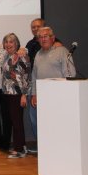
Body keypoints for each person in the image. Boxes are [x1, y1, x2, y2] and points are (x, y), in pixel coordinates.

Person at [26, 19, 62, 150]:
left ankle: (54, 146)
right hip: (36, 89)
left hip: (55, 92)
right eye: (33, 27)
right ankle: (41, 146)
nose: (35, 30)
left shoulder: (58, 46)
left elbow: (69, 71)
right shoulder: (30, 44)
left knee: (53, 120)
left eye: (38, 27)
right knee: (34, 119)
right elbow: (33, 71)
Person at [31, 26, 76, 110]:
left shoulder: (62, 51)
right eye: (40, 37)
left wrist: (66, 93)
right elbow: (34, 76)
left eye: (46, 36)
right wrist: (34, 94)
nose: (43, 39)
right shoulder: (38, 54)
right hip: (42, 95)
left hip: (59, 94)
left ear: (53, 38)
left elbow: (70, 74)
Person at [2, 33, 31, 158]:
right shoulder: (7, 56)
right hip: (8, 93)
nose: (8, 44)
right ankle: (22, 146)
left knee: (17, 121)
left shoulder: (21, 56)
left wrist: (24, 94)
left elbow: (26, 76)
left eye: (11, 42)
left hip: (17, 93)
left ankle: (19, 150)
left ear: (16, 43)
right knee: (16, 121)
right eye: (6, 42)